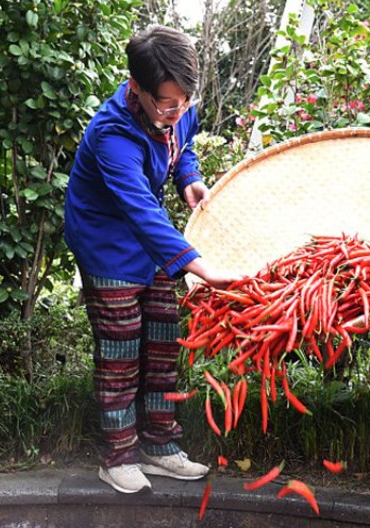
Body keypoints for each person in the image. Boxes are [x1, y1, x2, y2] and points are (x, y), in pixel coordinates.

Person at [63, 25, 239, 495]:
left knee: (162, 340)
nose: (177, 112)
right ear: (135, 88)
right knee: (120, 349)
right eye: (166, 105)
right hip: (107, 241)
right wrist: (200, 267)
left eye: (184, 101)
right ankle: (118, 455)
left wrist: (189, 177)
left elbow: (184, 143)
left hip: (152, 239)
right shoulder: (111, 134)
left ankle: (159, 445)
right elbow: (139, 208)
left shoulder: (177, 104)